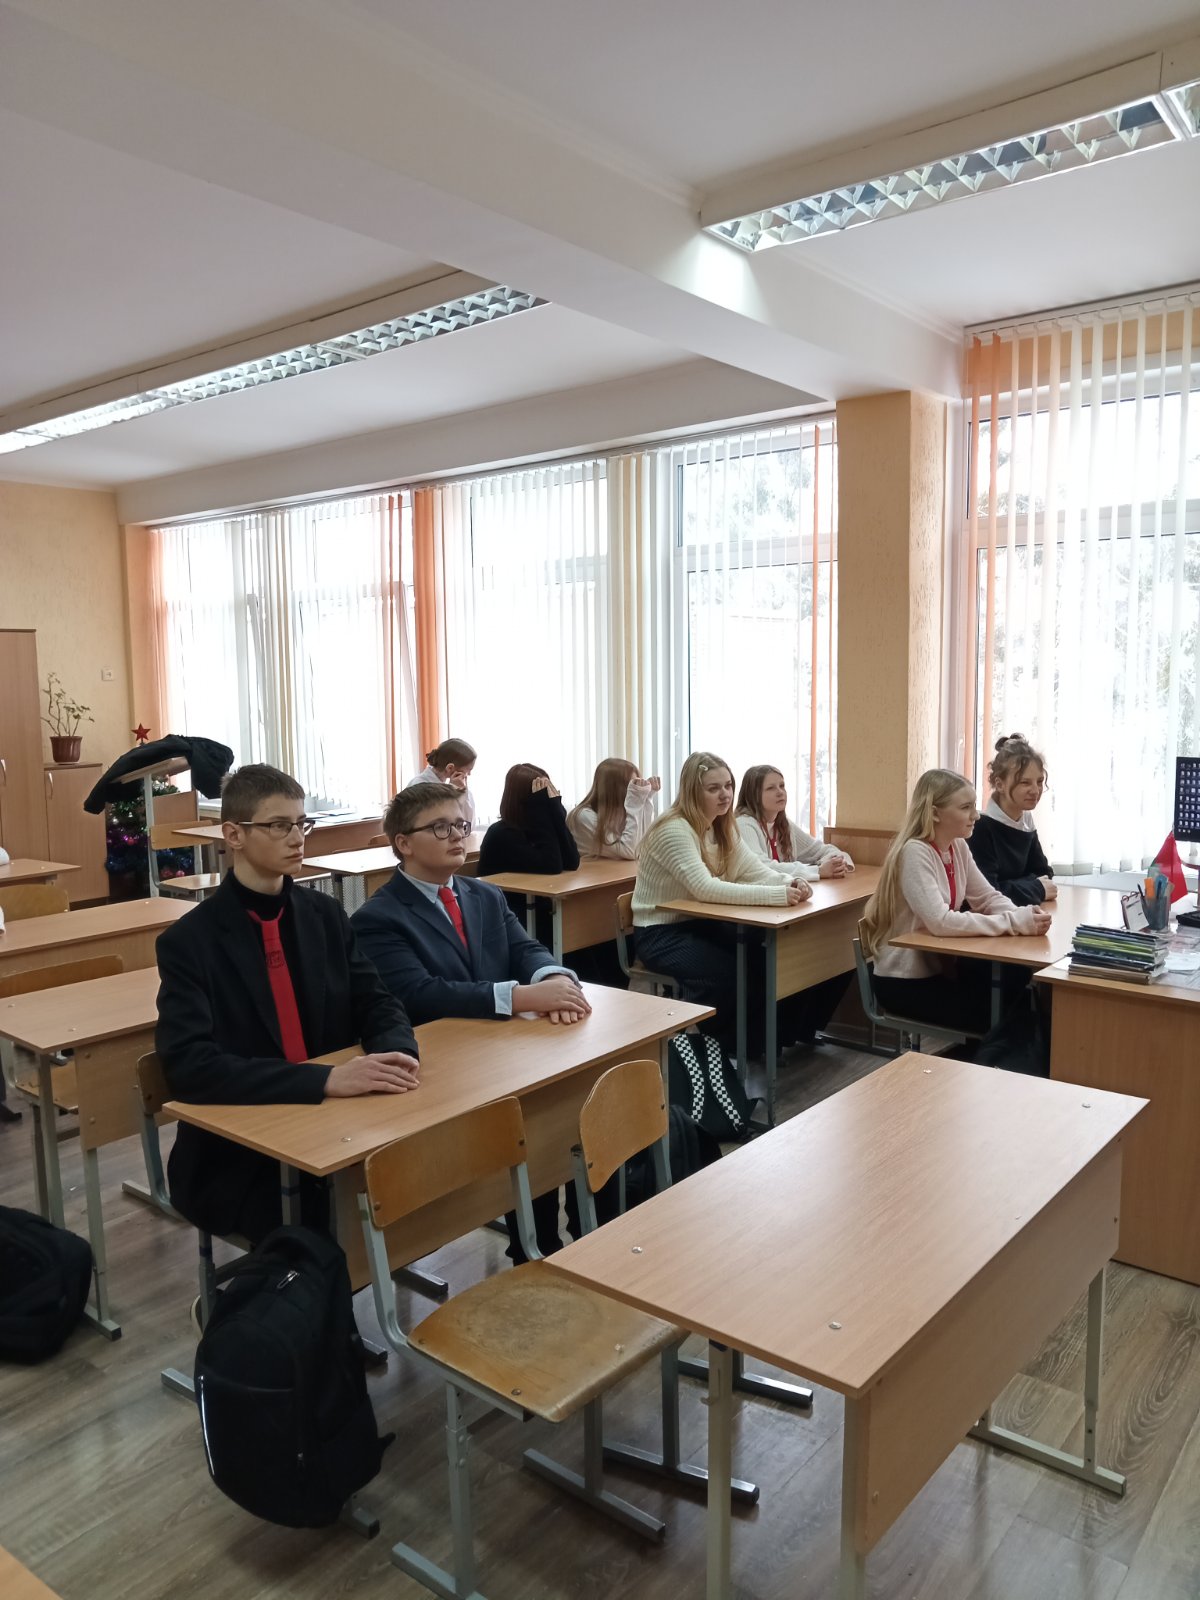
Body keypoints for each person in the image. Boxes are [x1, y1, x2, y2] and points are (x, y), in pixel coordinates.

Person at [155, 763, 421, 1245]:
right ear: (233, 834)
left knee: (418, 1180)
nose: (298, 838)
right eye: (279, 825)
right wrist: (325, 1080)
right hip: (245, 1149)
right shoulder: (189, 941)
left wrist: (397, 1054)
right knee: (327, 1232)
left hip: (336, 1124)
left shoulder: (325, 914)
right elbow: (190, 1067)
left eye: (302, 823)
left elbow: (377, 1001)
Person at [351, 782, 590, 1259]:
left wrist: (553, 980)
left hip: (499, 1054)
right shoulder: (378, 917)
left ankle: (563, 1244)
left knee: (549, 1126)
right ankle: (533, 1247)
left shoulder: (483, 894)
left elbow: (525, 948)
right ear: (403, 842)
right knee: (527, 1132)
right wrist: (523, 996)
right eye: (440, 827)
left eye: (461, 824)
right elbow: (420, 993)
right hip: (442, 1070)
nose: (457, 835)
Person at [631, 751, 809, 1055]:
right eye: (713, 788)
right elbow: (705, 889)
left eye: (728, 785)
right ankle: (721, 1051)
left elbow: (752, 870)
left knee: (762, 955)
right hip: (660, 932)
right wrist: (776, 895)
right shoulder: (674, 829)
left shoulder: (721, 825)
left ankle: (758, 1044)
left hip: (700, 922)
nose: (725, 794)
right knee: (725, 974)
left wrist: (789, 882)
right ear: (693, 792)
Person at [860, 768, 1052, 1035]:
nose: (976, 815)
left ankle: (982, 1058)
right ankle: (971, 1060)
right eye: (965, 807)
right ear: (935, 813)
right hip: (904, 981)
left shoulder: (957, 845)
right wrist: (1014, 922)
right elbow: (940, 922)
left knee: (1016, 988)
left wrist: (1023, 916)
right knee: (1001, 1014)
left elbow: (987, 897)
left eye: (974, 805)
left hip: (940, 971)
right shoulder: (915, 853)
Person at [968, 734, 1057, 906]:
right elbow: (988, 894)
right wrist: (1037, 888)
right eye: (1025, 783)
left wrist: (1017, 886)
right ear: (999, 784)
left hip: (1020, 914)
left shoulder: (1026, 819)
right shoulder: (980, 827)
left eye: (1039, 781)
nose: (1035, 790)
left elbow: (1045, 875)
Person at [735, 765, 854, 880]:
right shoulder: (743, 825)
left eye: (782, 786)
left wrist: (837, 863)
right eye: (771, 788)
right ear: (753, 795)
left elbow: (821, 850)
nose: (780, 792)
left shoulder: (783, 824)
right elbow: (761, 868)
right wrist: (818, 871)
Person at [568, 759, 660, 859]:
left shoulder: (618, 812)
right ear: (617, 789)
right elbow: (631, 851)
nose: (637, 787)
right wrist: (636, 803)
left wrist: (646, 799)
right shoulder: (583, 816)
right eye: (633, 785)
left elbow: (645, 847)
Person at [412, 737, 477, 828]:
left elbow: (469, 824)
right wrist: (453, 792)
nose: (469, 774)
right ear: (450, 768)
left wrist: (462, 791)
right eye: (468, 770)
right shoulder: (420, 786)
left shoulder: (447, 784)